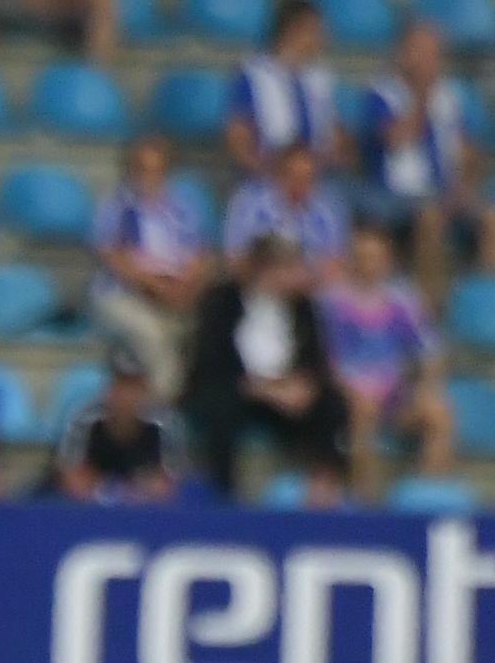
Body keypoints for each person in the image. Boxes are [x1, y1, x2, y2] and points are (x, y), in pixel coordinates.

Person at [182, 234, 349, 499]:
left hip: (285, 389)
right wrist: (258, 388)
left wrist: (301, 386)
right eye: (288, 268)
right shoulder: (223, 301)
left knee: (331, 403)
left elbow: (314, 358)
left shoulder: (303, 308)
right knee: (221, 408)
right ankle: (226, 492)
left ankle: (323, 485)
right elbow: (211, 358)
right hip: (237, 388)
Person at [360, 19, 495, 290]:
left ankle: (485, 297)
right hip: (399, 195)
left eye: (434, 52)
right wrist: (422, 97)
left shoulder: (449, 96)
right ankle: (430, 305)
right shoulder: (381, 93)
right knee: (430, 218)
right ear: (403, 53)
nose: (430, 60)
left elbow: (468, 152)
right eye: (422, 51)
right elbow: (396, 140)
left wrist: (465, 185)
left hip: (445, 192)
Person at [321, 222, 455, 502]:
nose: (369, 265)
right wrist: (344, 387)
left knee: (438, 413)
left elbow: (430, 351)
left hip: (394, 396)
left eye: (376, 258)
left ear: (387, 261)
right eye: (362, 257)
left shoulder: (403, 301)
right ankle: (366, 501)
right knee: (362, 409)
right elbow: (322, 357)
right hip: (349, 394)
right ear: (352, 259)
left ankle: (424, 497)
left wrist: (426, 385)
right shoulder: (332, 302)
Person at [89, 134, 213, 389]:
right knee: (154, 335)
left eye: (157, 169)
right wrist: (157, 287)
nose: (149, 176)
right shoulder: (115, 207)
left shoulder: (183, 208)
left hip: (176, 294)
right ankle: (163, 407)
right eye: (143, 169)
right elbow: (113, 257)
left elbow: (200, 255)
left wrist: (185, 287)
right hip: (122, 296)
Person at [226, 0, 345, 177]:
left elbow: (334, 135)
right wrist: (265, 172)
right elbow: (238, 135)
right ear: (293, 30)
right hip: (268, 174)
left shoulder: (319, 78)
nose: (322, 38)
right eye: (316, 31)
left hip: (314, 177)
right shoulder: (254, 75)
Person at [52, 350, 184, 502]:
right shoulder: (84, 421)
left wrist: (136, 492)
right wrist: (104, 491)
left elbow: (170, 484)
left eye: (134, 387)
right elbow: (71, 477)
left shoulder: (163, 423)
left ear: (145, 391)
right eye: (121, 385)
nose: (126, 396)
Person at [223, 141, 349, 285]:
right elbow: (235, 259)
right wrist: (275, 278)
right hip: (259, 285)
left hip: (311, 291)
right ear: (279, 175)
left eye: (308, 178)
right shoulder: (248, 202)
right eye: (295, 177)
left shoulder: (329, 207)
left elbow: (338, 262)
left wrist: (300, 279)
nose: (301, 185)